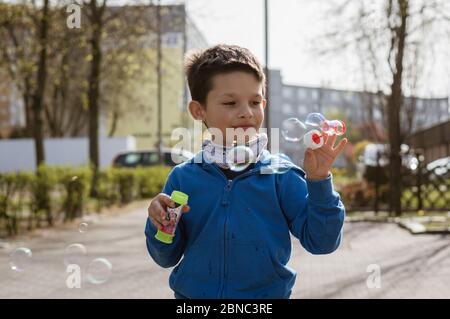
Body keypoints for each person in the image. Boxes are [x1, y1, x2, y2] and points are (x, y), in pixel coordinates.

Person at [145, 44, 348, 299]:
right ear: (199, 110)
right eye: (230, 102)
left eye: (255, 102)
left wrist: (319, 182)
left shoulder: (281, 174)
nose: (246, 113)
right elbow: (165, 256)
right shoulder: (183, 178)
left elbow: (323, 243)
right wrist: (160, 225)